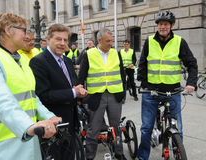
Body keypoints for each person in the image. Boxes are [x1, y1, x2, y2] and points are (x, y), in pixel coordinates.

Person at [0, 13, 61, 160]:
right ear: (9, 30)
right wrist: (28, 126)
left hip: (26, 141)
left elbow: (30, 97)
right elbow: (0, 99)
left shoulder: (21, 59)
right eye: (24, 30)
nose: (28, 35)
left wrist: (49, 116)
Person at [137, 10, 198, 160]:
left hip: (173, 91)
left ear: (171, 26)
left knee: (178, 129)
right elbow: (143, 63)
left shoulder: (179, 41)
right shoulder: (149, 41)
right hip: (151, 92)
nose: (162, 27)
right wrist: (143, 83)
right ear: (157, 26)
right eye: (160, 24)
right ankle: (142, 156)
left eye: (166, 24)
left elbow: (192, 64)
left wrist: (191, 83)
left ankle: (178, 154)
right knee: (146, 128)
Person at [29, 24, 88, 160]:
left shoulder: (67, 61)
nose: (62, 43)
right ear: (48, 39)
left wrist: (79, 92)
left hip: (71, 124)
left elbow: (71, 85)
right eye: (58, 39)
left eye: (65, 40)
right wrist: (73, 92)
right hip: (52, 126)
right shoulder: (38, 62)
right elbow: (43, 96)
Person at [78, 28, 127, 160]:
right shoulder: (88, 54)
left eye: (111, 40)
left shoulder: (116, 53)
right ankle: (89, 156)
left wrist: (123, 92)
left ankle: (119, 153)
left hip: (115, 95)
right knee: (93, 129)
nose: (111, 43)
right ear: (99, 40)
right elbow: (81, 76)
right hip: (96, 97)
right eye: (108, 41)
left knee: (116, 127)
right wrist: (80, 95)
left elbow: (122, 75)